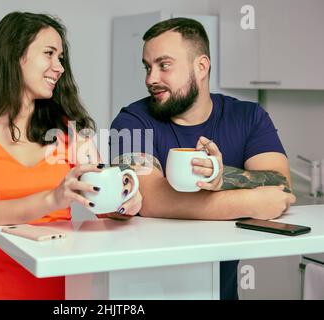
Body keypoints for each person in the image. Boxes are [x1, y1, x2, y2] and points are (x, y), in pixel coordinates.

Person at [0, 12, 141, 300]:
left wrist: (125, 203)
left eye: (61, 58)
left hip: (67, 297)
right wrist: (52, 198)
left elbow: (103, 204)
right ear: (13, 55)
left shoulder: (69, 131)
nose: (59, 67)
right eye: (49, 53)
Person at [109, 17, 296, 300]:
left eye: (164, 65)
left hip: (222, 289)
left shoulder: (248, 117)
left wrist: (221, 180)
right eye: (147, 67)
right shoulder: (131, 120)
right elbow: (146, 198)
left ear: (201, 66)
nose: (151, 78)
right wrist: (250, 201)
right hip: (145, 289)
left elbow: (280, 187)